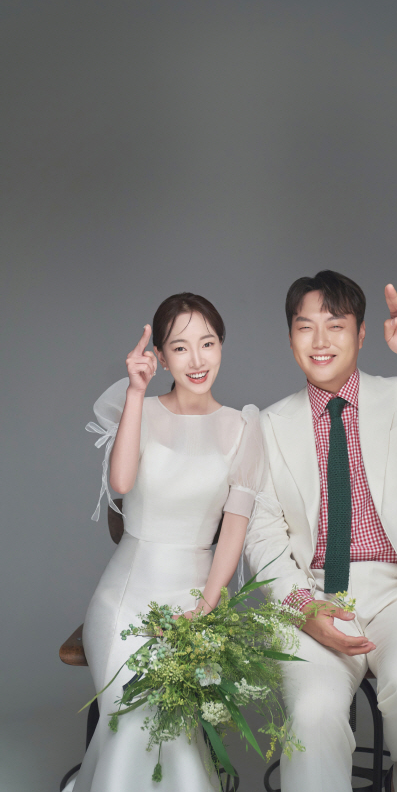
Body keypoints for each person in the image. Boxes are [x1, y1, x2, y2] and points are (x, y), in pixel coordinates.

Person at [244, 270, 397, 792]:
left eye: (335, 325)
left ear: (360, 334)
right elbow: (262, 535)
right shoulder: (267, 425)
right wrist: (302, 607)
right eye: (305, 327)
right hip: (312, 593)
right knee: (312, 714)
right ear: (290, 337)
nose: (320, 340)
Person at [70, 293, 265, 792]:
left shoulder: (242, 427)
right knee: (133, 718)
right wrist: (136, 393)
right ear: (159, 355)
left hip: (195, 599)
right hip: (126, 595)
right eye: (180, 347)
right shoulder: (140, 408)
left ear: (222, 345)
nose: (197, 359)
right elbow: (120, 482)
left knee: (172, 729)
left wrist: (206, 607)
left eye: (208, 343)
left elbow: (234, 530)